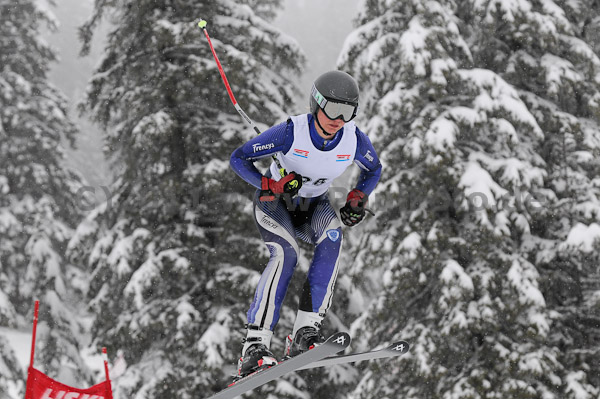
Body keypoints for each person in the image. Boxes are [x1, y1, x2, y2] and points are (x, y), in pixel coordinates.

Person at [229, 70, 382, 379]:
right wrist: (266, 184)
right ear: (316, 104)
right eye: (333, 109)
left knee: (334, 237)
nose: (339, 119)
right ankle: (255, 346)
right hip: (275, 206)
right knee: (287, 254)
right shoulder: (290, 133)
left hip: (313, 206)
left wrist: (357, 197)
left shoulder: (353, 140)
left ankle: (304, 334)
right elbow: (238, 158)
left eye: (347, 111)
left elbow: (374, 169)